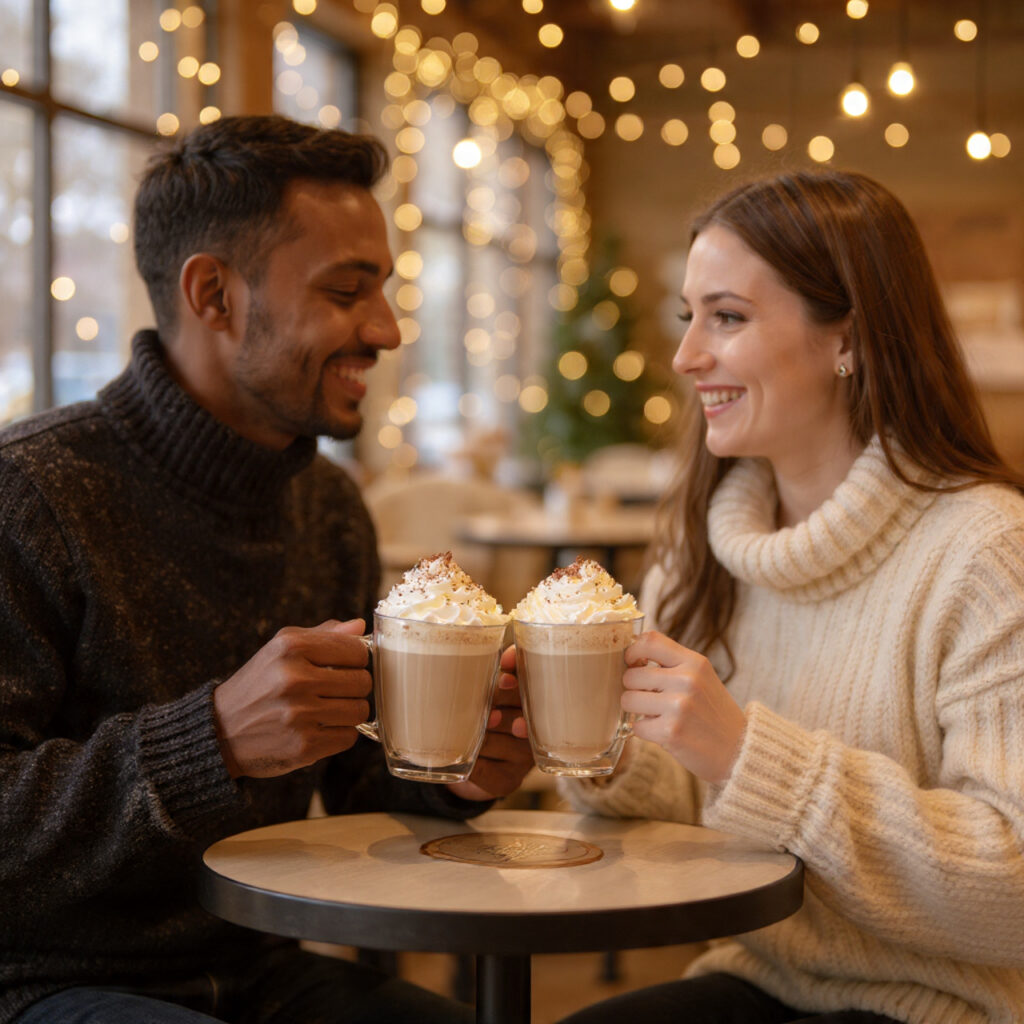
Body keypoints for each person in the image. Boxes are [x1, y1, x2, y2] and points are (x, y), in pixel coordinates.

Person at [0, 114, 532, 1024]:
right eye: (345, 291)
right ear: (213, 294)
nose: (388, 329)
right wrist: (209, 740)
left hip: (266, 973)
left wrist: (458, 771)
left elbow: (368, 790)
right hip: (46, 984)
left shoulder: (328, 508)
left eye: (386, 291)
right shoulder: (32, 493)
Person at [553, 170, 1024, 1023]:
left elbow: (1016, 884)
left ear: (849, 337)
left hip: (941, 1005)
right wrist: (595, 742)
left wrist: (746, 756)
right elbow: (687, 799)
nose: (686, 356)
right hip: (759, 978)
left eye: (727, 317)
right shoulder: (704, 548)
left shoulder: (986, 550)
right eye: (688, 316)